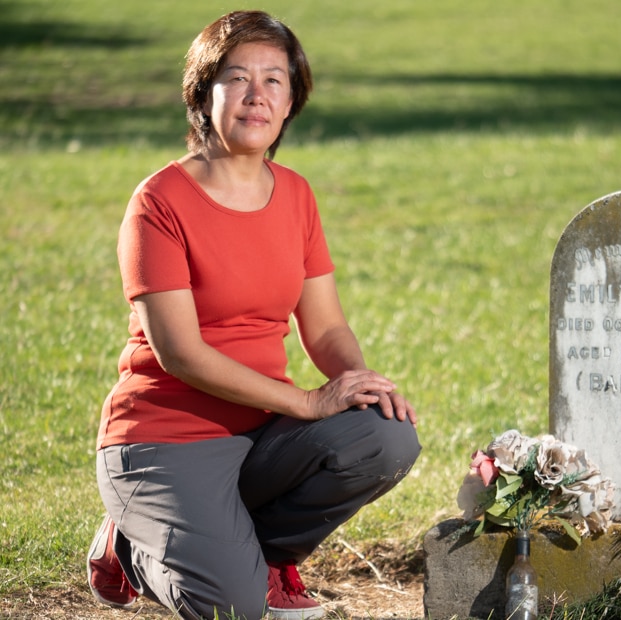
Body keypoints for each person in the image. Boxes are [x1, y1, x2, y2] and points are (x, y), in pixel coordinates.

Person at [86, 10, 421, 620]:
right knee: (233, 608)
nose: (256, 96)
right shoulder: (157, 201)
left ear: (292, 100)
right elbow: (180, 353)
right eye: (237, 78)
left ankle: (256, 551)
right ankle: (131, 545)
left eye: (274, 80)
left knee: (384, 435)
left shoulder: (295, 194)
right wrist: (310, 404)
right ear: (203, 92)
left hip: (260, 437)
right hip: (164, 441)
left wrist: (359, 383)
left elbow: (324, 328)